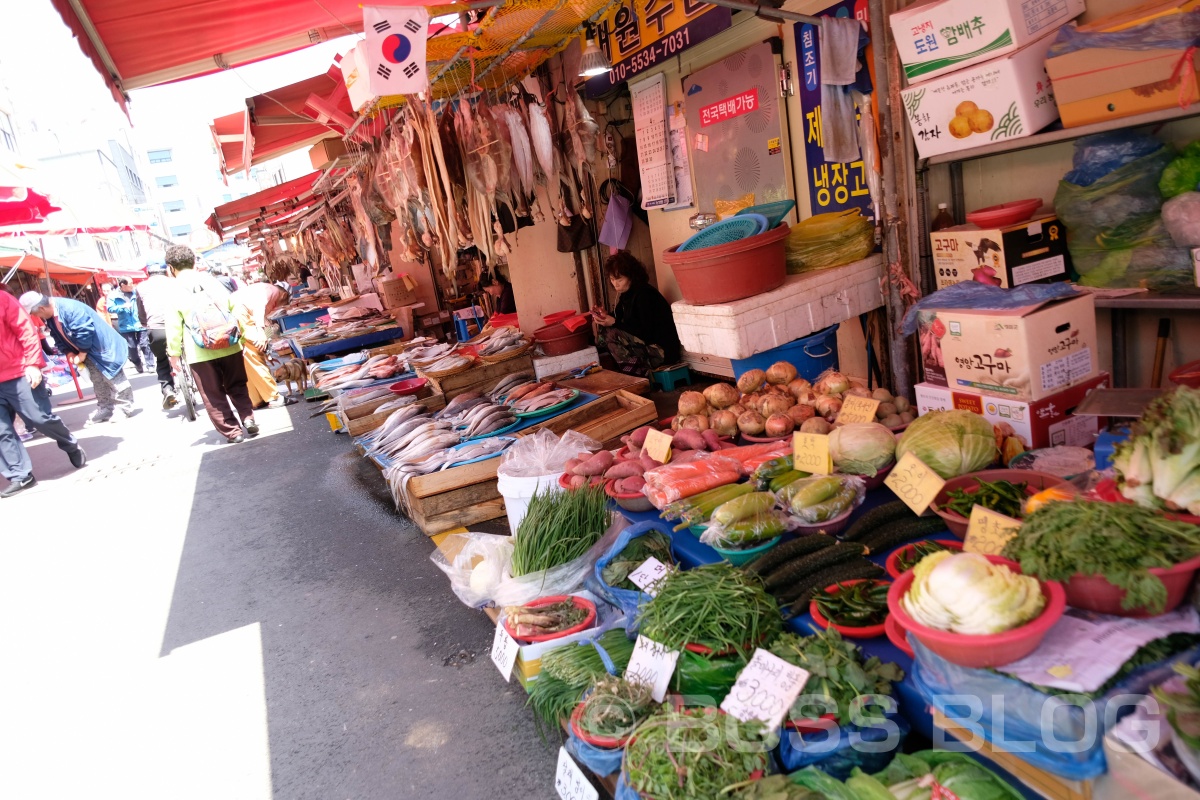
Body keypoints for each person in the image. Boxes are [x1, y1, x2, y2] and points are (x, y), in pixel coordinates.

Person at [164, 245, 257, 444]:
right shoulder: (211, 281)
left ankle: (234, 432)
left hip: (199, 351)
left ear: (171, 268)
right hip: (229, 343)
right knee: (237, 385)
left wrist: (173, 354)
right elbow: (233, 308)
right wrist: (243, 337)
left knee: (212, 394)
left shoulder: (172, 289)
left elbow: (173, 326)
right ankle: (248, 418)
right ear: (194, 262)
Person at [0, 289, 87, 497]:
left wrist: (32, 363)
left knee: (39, 418)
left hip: (19, 371)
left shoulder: (3, 299)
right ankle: (21, 476)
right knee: (1, 431)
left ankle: (69, 442)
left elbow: (25, 330)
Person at [19, 291, 135, 426]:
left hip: (102, 349)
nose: (36, 317)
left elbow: (84, 332)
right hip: (87, 351)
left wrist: (82, 353)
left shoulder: (70, 308)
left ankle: (124, 407)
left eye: (35, 314)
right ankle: (105, 408)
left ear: (41, 308)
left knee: (114, 378)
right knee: (97, 381)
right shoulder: (51, 316)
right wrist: (68, 352)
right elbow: (57, 337)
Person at [593, 252, 682, 377]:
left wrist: (614, 323)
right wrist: (604, 316)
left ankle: (636, 376)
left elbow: (645, 333)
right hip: (644, 346)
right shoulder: (626, 295)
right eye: (612, 279)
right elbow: (617, 318)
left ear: (632, 277)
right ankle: (622, 370)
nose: (615, 284)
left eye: (620, 279)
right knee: (604, 330)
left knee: (613, 334)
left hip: (661, 351)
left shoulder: (645, 295)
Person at [231, 281, 294, 409]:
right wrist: (261, 334)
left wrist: (269, 351)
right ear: (284, 295)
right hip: (243, 317)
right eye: (285, 302)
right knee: (256, 356)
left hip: (238, 316)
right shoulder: (271, 291)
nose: (279, 306)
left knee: (249, 360)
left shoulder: (262, 288)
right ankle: (273, 397)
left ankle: (256, 399)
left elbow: (265, 321)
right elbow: (259, 311)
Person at [138, 258, 180, 409]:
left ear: (148, 273)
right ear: (167, 270)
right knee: (190, 355)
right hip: (179, 327)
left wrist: (145, 323)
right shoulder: (175, 282)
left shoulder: (141, 286)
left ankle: (168, 389)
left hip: (156, 330)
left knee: (162, 359)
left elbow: (141, 312)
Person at [107, 277, 155, 373]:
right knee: (131, 347)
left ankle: (150, 365)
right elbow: (110, 308)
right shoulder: (113, 295)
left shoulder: (136, 292)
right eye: (130, 283)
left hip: (140, 322)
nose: (132, 285)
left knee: (145, 344)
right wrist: (122, 307)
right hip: (126, 325)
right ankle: (137, 363)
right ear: (123, 285)